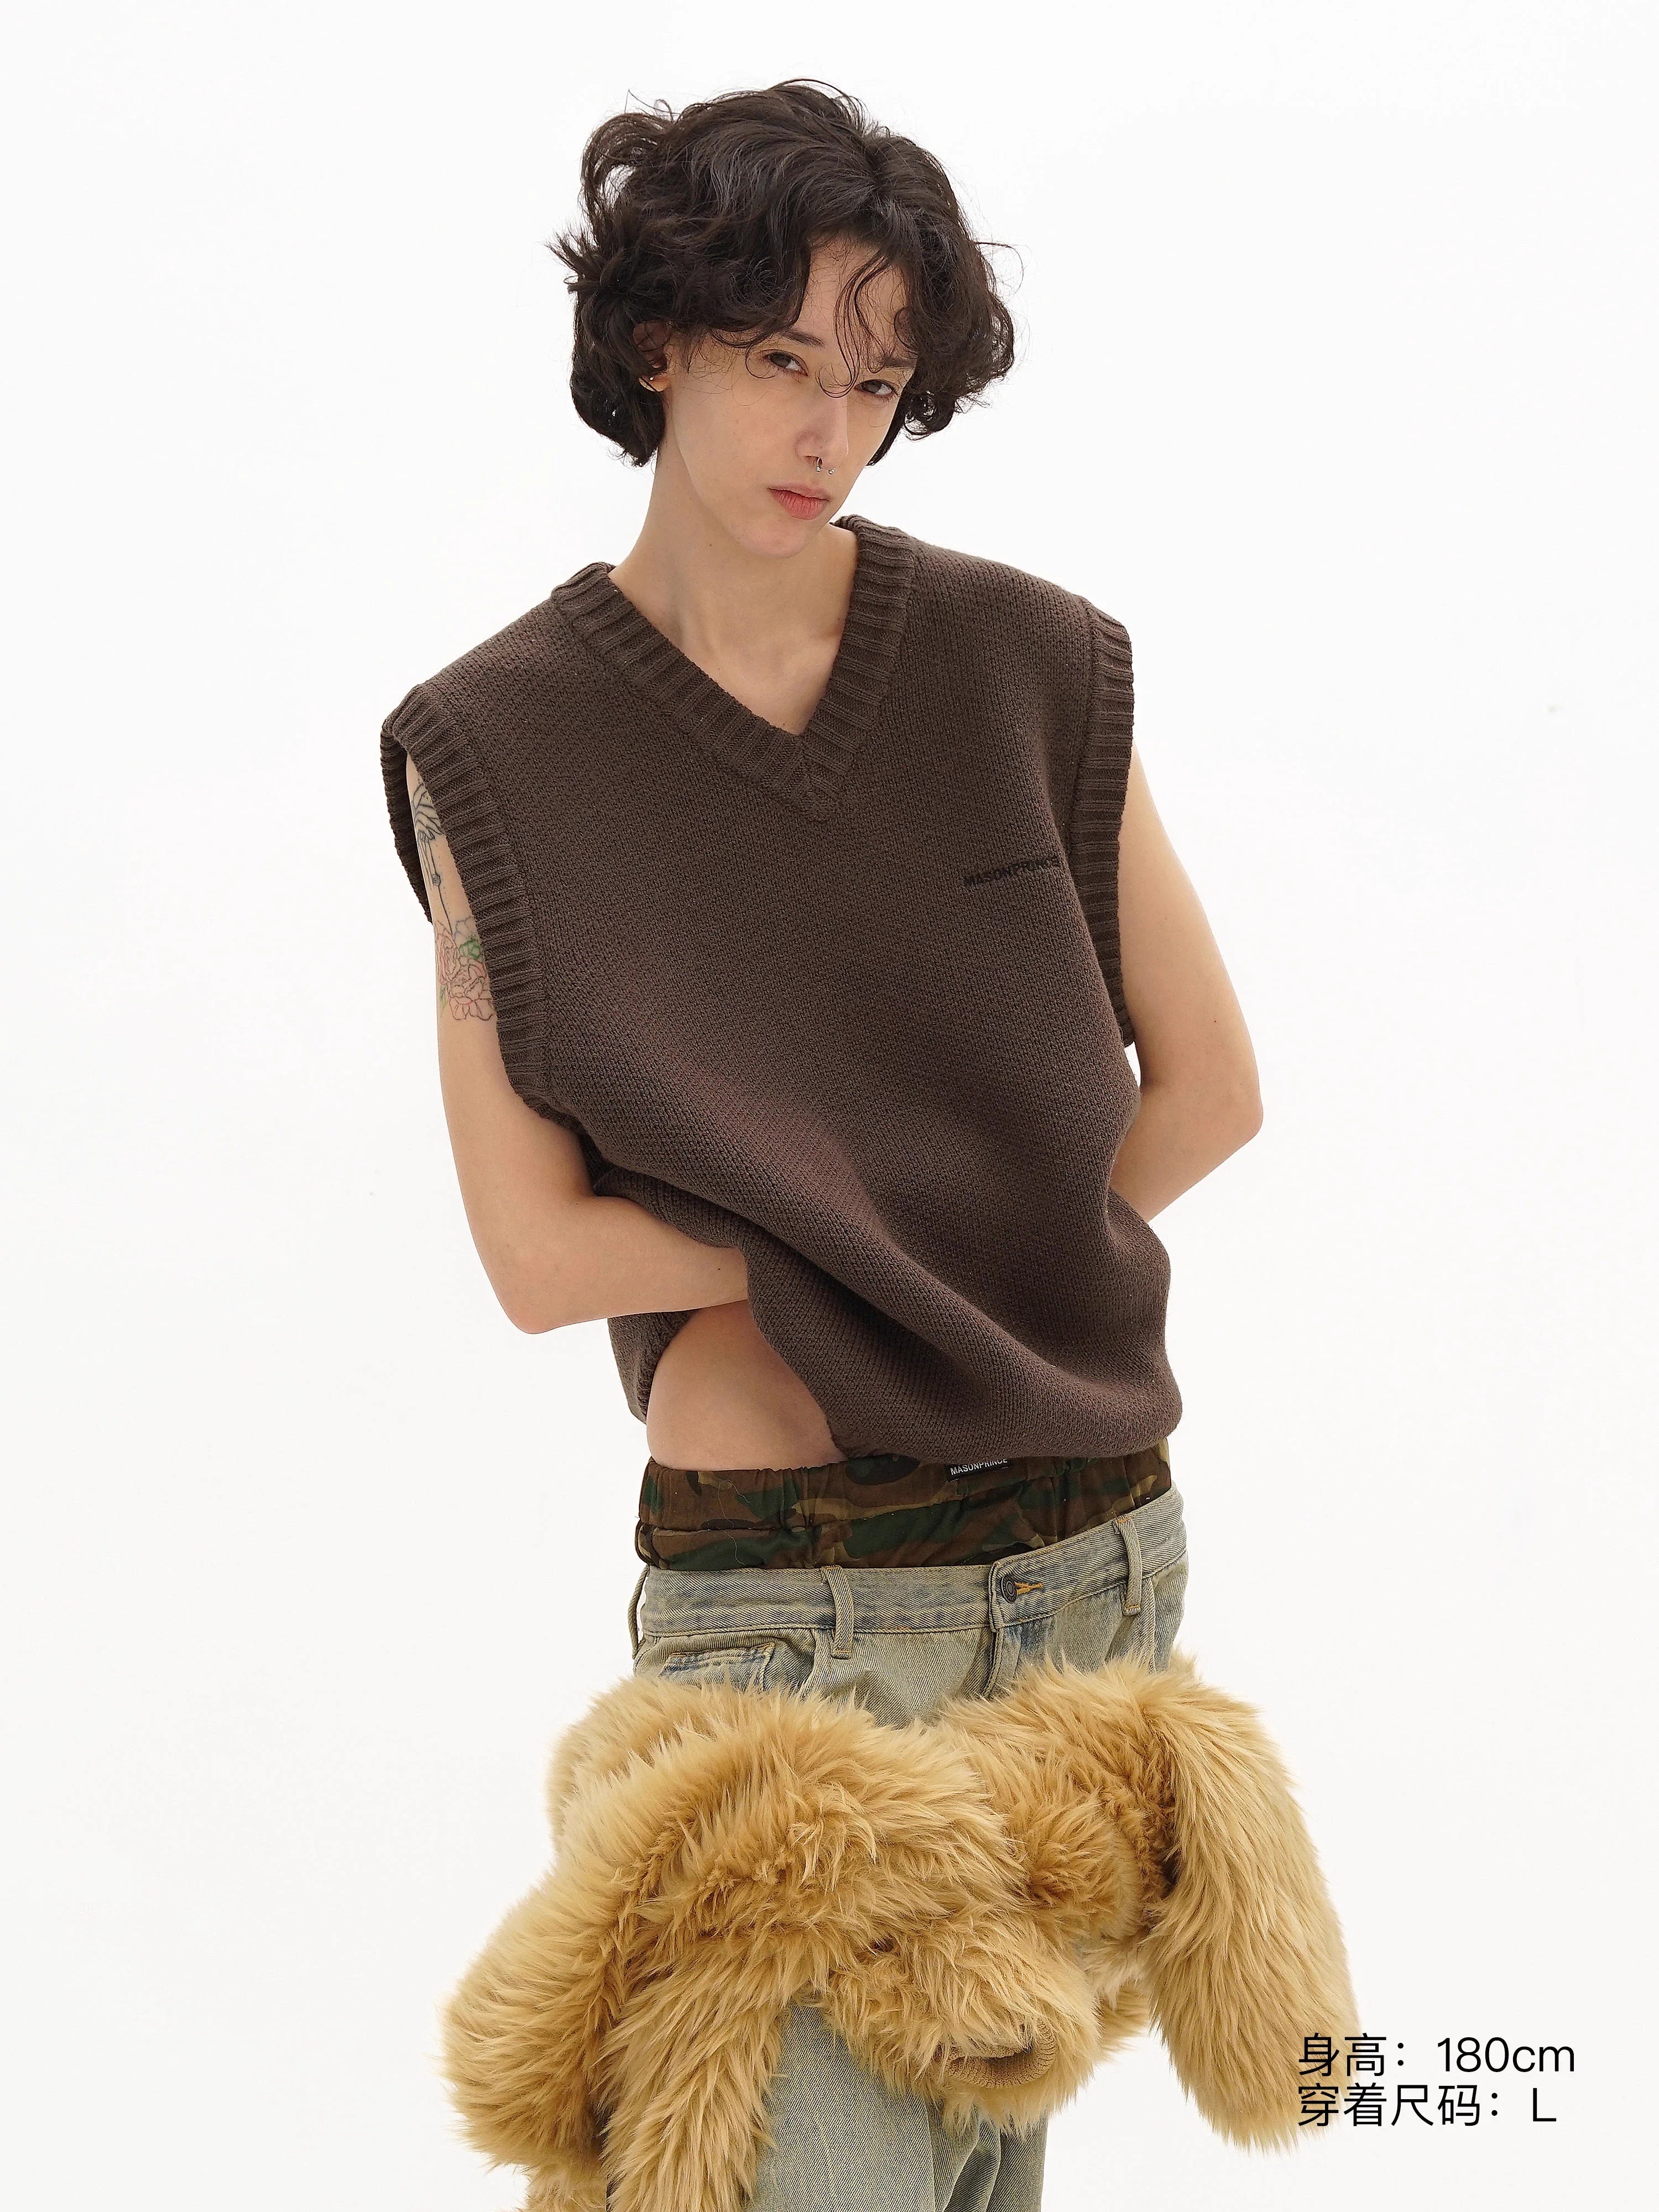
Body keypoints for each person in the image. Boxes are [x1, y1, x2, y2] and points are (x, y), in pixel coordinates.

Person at [382, 77, 1262, 2212]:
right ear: (656, 341)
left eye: (874, 383)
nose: (829, 431)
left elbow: (1210, 1090)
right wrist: (874, 1243)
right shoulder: (492, 749)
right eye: (783, 360)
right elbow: (537, 1256)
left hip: (1081, 1578)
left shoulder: (1027, 661)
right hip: (790, 1612)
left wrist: (900, 1255)